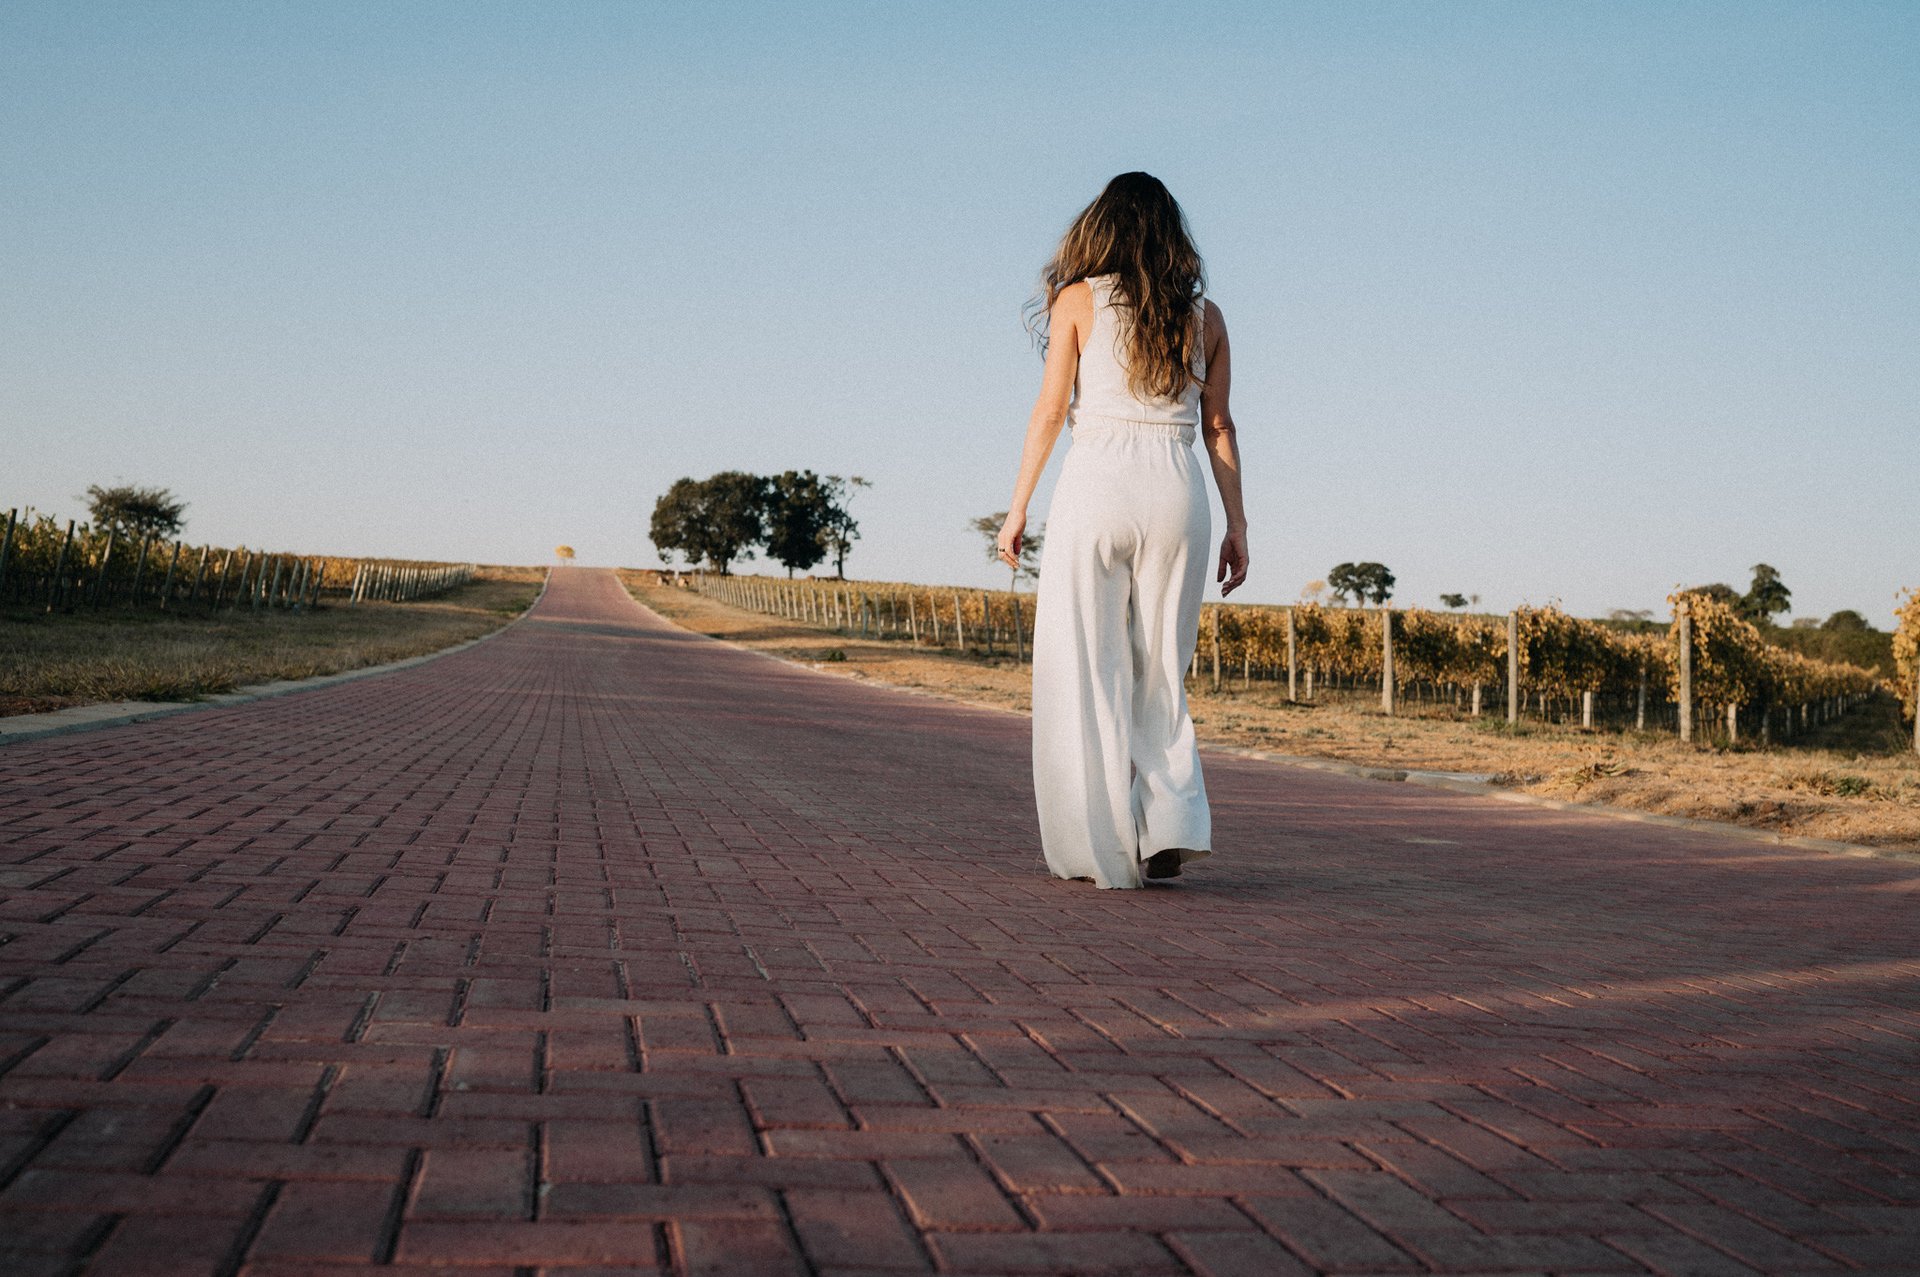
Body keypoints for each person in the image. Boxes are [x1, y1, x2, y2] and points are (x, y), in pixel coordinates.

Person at [997, 172, 1250, 890]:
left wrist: (1018, 508)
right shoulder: (1206, 318)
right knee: (1163, 669)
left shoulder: (1077, 301)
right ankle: (1171, 823)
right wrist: (1237, 525)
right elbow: (1220, 426)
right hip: (1177, 487)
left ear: (1100, 227)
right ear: (1173, 236)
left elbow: (1050, 412)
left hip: (1098, 480)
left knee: (1086, 664)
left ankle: (1096, 843)